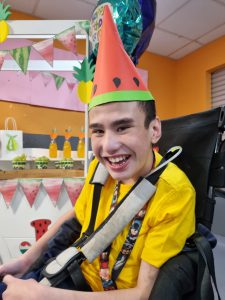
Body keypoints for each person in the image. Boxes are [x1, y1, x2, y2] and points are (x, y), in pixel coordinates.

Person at [0, 5, 195, 300]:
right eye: (98, 131)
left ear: (154, 130)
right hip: (70, 271)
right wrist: (28, 260)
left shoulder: (173, 193)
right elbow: (75, 215)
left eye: (123, 127)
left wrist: (42, 295)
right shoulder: (100, 168)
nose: (108, 146)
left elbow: (142, 294)